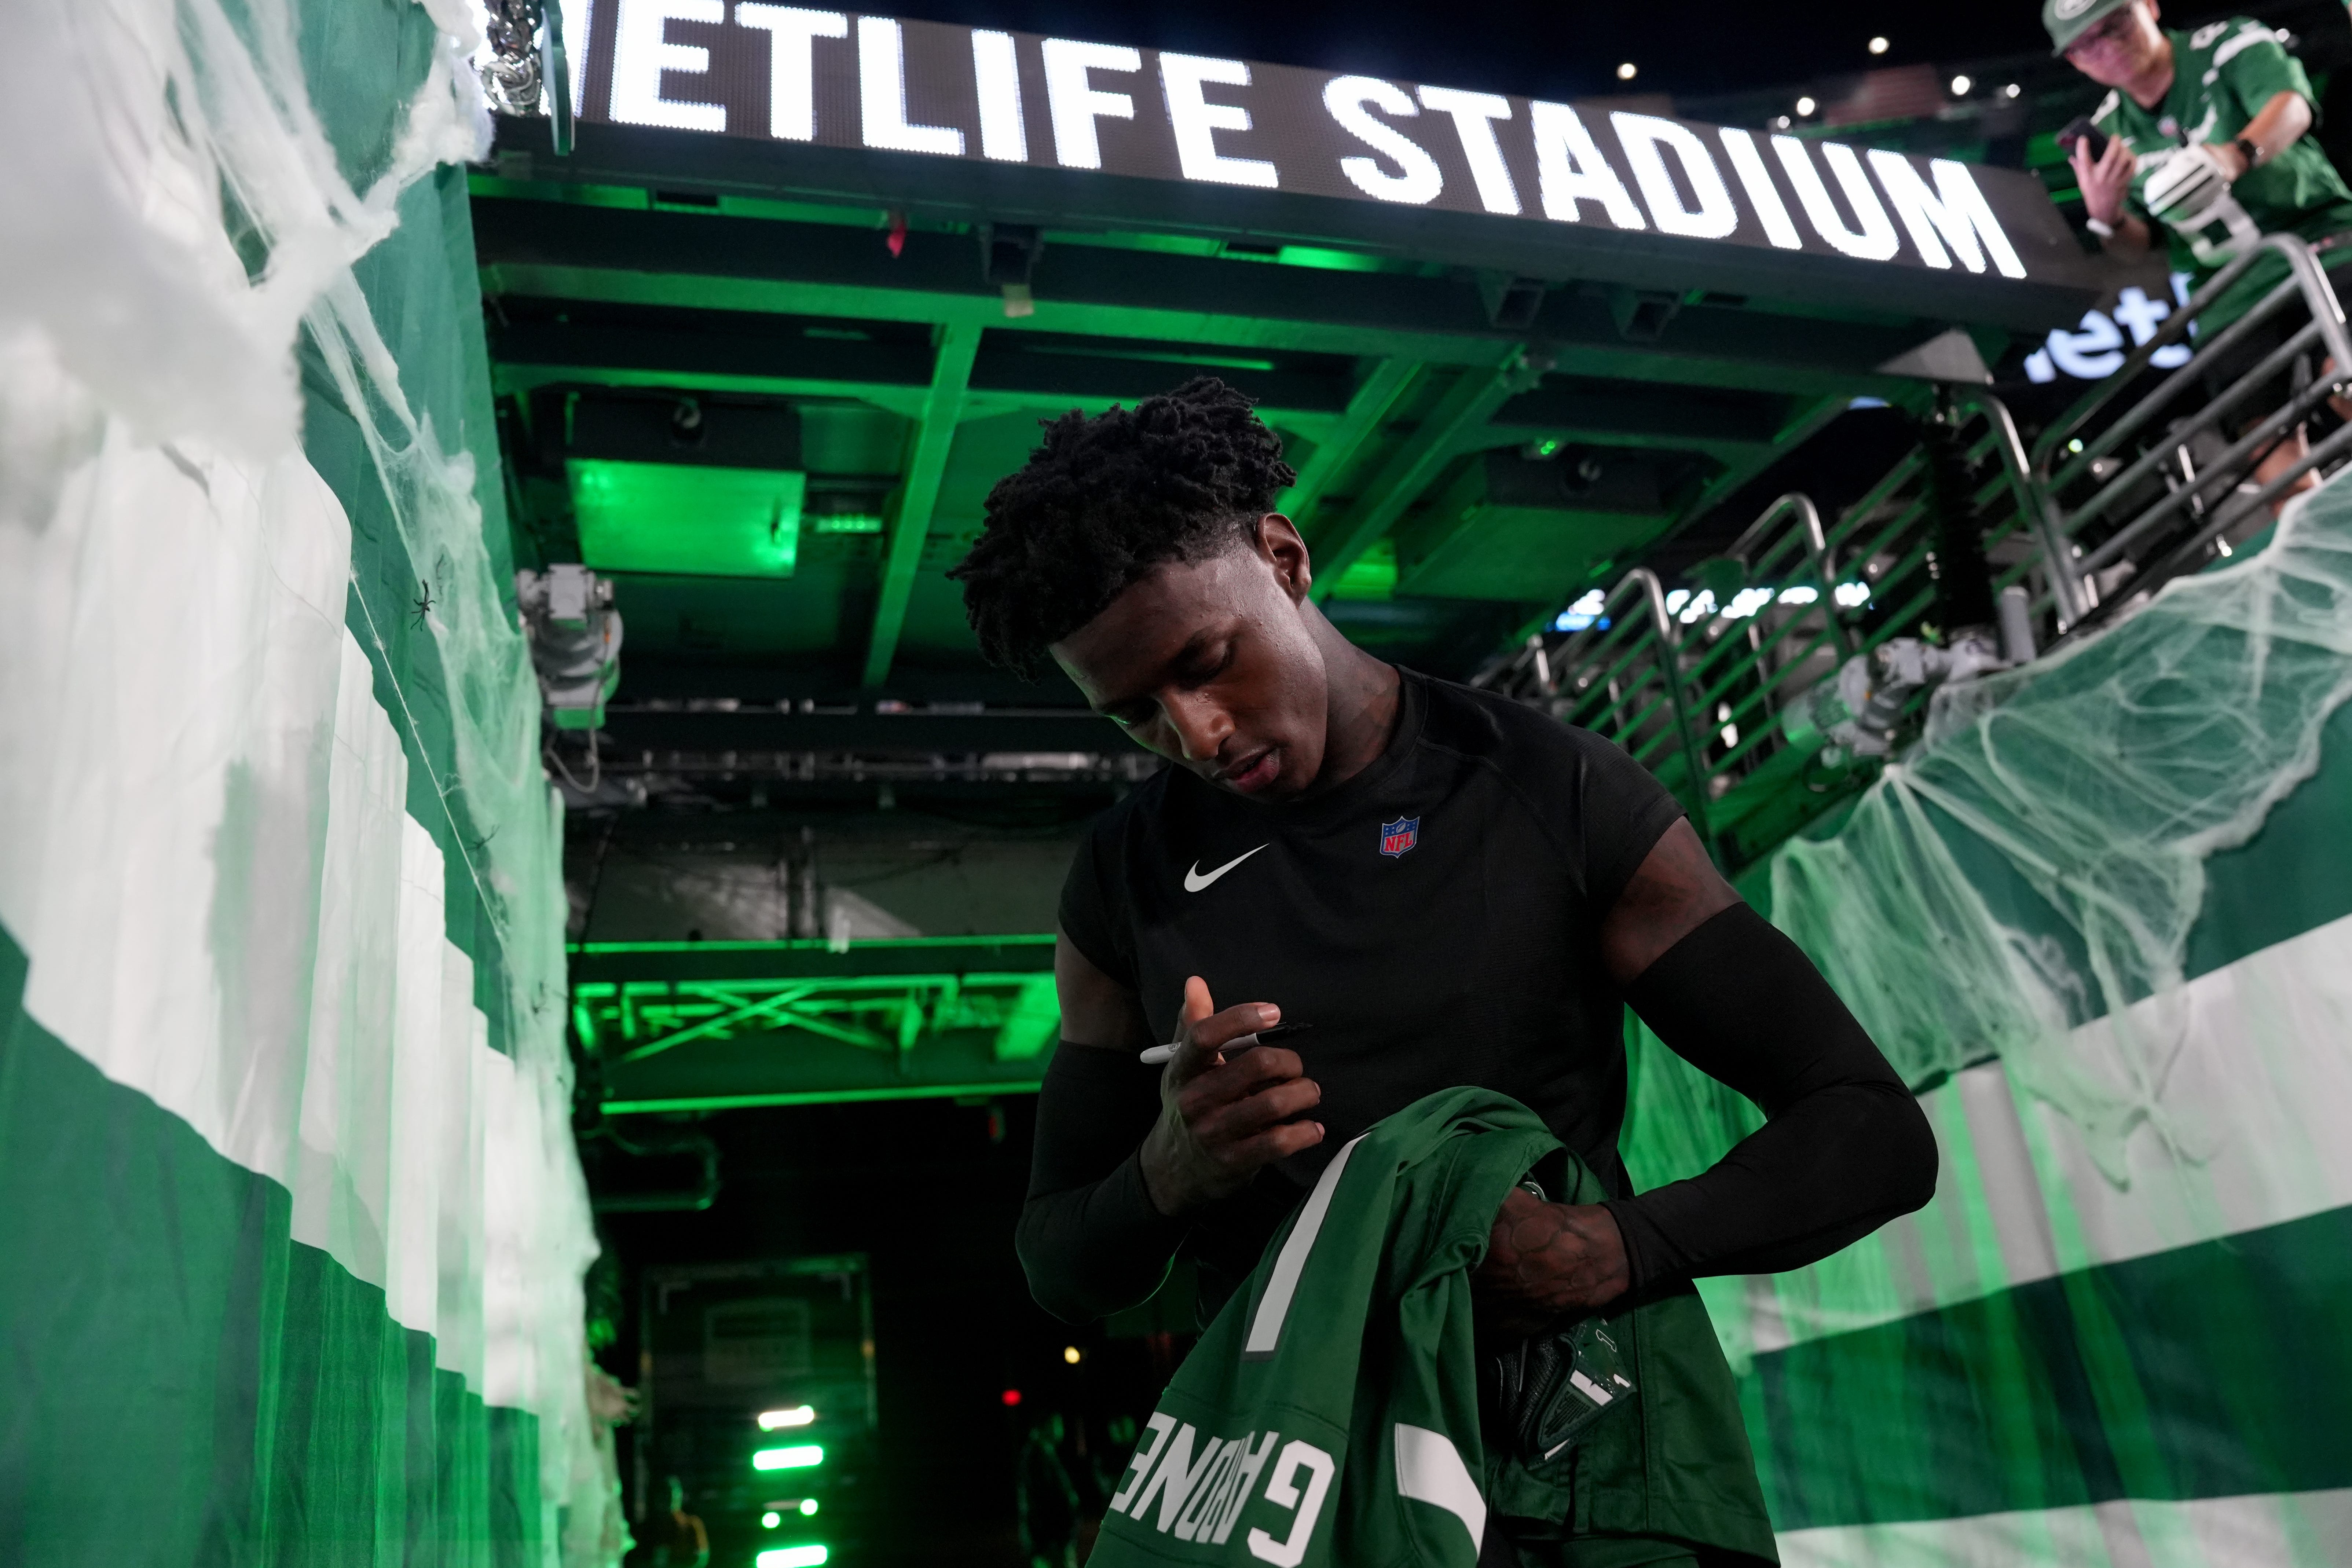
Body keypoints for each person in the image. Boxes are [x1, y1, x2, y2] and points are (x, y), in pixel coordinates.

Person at [955, 379, 1938, 1567]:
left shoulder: (1551, 790)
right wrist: (1169, 1172)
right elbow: (1060, 1263)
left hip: (1562, 1460)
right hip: (1303, 1479)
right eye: (1135, 716)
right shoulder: (1123, 879)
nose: (1196, 732)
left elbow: (1873, 1129)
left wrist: (1611, 1248)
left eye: (1208, 661)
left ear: (1284, 556)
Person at [2056, 0, 2352, 513]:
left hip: (2318, 241)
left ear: (2148, 7)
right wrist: (2106, 217)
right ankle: (2329, 567)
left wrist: (2236, 155)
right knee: (2262, 438)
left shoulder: (2225, 42)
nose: (2109, 45)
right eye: (2088, 42)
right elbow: (2135, 248)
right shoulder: (2110, 131)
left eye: (2116, 22)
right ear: (2076, 62)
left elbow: (2293, 106)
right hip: (2226, 294)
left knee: (2345, 375)